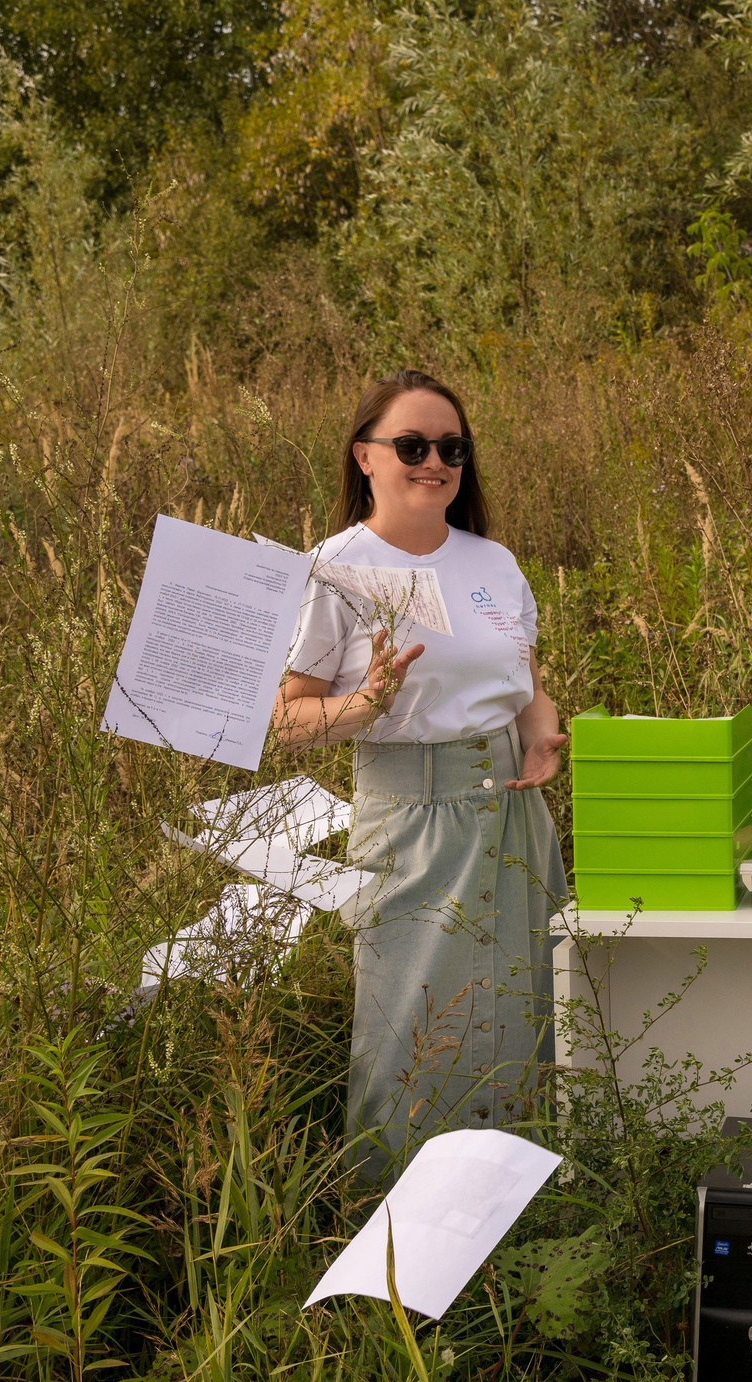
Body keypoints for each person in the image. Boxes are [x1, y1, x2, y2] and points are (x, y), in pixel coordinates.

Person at [272, 371, 568, 1178]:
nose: (433, 460)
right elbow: (283, 718)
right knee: (413, 1025)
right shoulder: (331, 568)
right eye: (411, 445)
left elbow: (527, 685)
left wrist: (543, 740)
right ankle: (393, 1233)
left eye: (451, 447)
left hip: (513, 812)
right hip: (412, 815)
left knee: (525, 1010)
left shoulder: (493, 561)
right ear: (365, 457)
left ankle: (517, 1210)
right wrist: (364, 705)